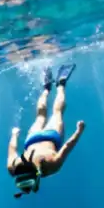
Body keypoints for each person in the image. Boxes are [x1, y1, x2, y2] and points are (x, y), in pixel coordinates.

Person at [7, 64, 86, 198]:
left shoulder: (51, 166)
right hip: (33, 137)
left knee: (57, 112)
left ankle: (60, 85)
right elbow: (12, 148)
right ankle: (47, 89)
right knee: (41, 114)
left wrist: (79, 131)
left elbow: (67, 146)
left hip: (50, 137)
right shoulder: (13, 167)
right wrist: (14, 135)